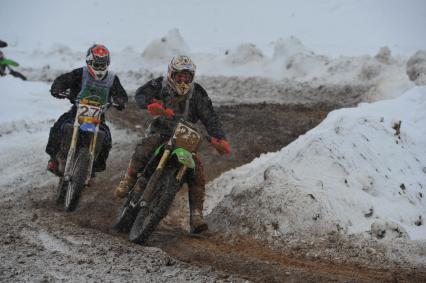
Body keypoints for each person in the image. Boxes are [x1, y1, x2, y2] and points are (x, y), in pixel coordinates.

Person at [114, 55, 230, 234]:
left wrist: (220, 138)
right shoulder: (160, 85)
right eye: (179, 77)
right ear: (171, 75)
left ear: (192, 77)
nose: (183, 81)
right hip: (162, 132)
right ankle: (129, 179)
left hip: (185, 138)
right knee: (145, 147)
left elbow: (210, 116)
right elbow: (141, 94)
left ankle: (196, 216)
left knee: (197, 171)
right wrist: (151, 104)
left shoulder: (198, 93)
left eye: (187, 77)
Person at [46, 44, 128, 179]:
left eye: (103, 64)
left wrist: (120, 101)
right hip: (76, 112)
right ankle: (54, 159)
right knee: (59, 126)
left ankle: (93, 167)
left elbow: (121, 94)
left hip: (98, 117)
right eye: (97, 64)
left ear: (107, 63)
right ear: (89, 62)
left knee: (106, 138)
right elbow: (63, 80)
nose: (100, 68)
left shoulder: (112, 79)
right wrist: (57, 88)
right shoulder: (80, 73)